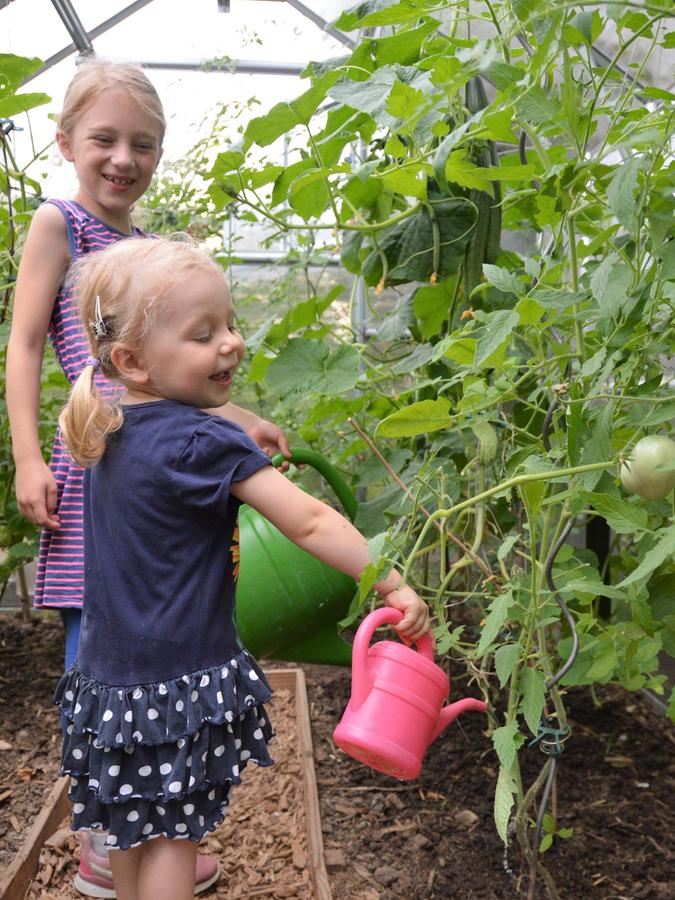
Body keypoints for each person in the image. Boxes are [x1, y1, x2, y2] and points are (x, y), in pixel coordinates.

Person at [54, 235, 431, 900]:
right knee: (175, 835)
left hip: (109, 676)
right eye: (203, 335)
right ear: (133, 360)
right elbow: (310, 521)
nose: (229, 342)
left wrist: (234, 427)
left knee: (138, 825)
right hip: (176, 679)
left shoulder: (110, 426)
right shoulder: (201, 440)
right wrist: (390, 581)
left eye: (230, 324)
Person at [4, 58, 288, 898]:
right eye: (105, 139)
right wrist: (26, 454)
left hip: (150, 448)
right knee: (101, 632)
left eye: (144, 144)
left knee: (150, 626)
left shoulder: (142, 248)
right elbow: (25, 345)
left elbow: (158, 374)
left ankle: (150, 815)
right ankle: (106, 835)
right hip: (97, 453)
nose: (123, 158)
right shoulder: (58, 224)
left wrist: (235, 419)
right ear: (66, 142)